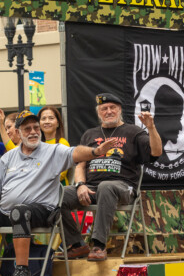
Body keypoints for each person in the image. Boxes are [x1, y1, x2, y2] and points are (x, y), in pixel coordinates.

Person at [0, 111, 115, 276]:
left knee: (20, 211)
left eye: (35, 128)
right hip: (5, 211)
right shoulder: (8, 157)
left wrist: (95, 151)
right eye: (27, 128)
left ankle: (23, 270)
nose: (33, 132)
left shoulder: (53, 151)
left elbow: (76, 152)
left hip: (42, 210)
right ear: (18, 132)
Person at [59, 93, 163, 261]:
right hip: (92, 188)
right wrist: (80, 185)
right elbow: (81, 165)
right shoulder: (89, 134)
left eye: (112, 107)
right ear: (99, 112)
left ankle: (99, 245)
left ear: (120, 109)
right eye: (104, 109)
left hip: (123, 187)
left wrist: (151, 128)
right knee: (58, 194)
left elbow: (156, 152)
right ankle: (77, 244)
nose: (108, 111)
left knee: (106, 186)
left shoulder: (133, 131)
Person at [38, 106, 71, 185]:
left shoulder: (62, 143)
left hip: (58, 188)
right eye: (43, 119)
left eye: (51, 118)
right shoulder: (37, 145)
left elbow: (61, 175)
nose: (47, 121)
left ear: (58, 123)